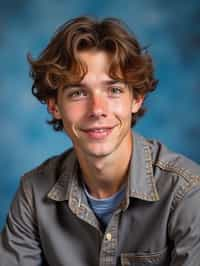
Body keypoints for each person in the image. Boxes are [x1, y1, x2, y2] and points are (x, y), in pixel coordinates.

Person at [0, 16, 200, 266]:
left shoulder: (187, 192)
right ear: (54, 106)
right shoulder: (33, 194)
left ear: (136, 99)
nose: (97, 109)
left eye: (114, 90)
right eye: (78, 93)